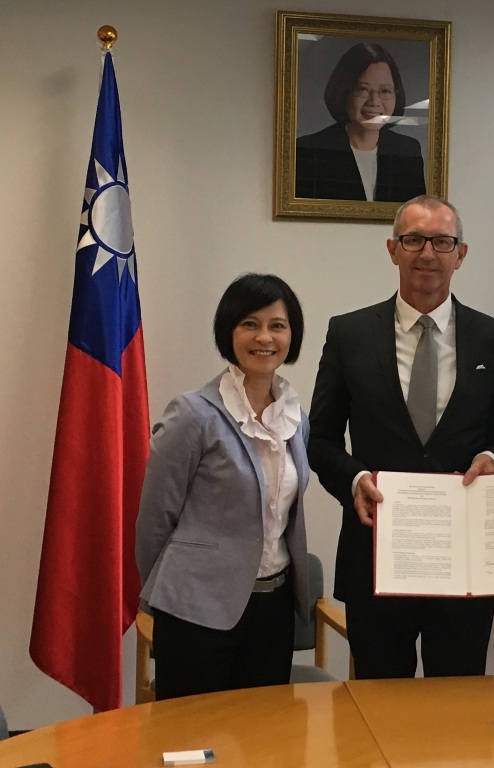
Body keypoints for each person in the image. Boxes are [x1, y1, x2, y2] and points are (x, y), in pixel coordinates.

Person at [308, 194, 494, 679]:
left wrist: (493, 456)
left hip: (465, 562)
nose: (427, 253)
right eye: (413, 240)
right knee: (376, 714)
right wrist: (354, 478)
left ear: (461, 253)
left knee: (458, 718)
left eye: (442, 241)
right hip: (377, 556)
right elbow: (318, 441)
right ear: (392, 249)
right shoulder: (349, 334)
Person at [135, 273, 310, 700]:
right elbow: (155, 519)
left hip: (274, 607)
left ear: (292, 336)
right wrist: (170, 593)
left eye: (277, 325)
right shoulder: (193, 414)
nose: (264, 337)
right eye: (249, 323)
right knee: (191, 741)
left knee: (262, 743)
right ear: (228, 332)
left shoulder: (295, 417)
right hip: (198, 608)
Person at [296, 42, 426, 202]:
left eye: (385, 91)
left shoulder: (407, 150)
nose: (374, 102)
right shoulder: (308, 150)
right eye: (362, 89)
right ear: (343, 92)